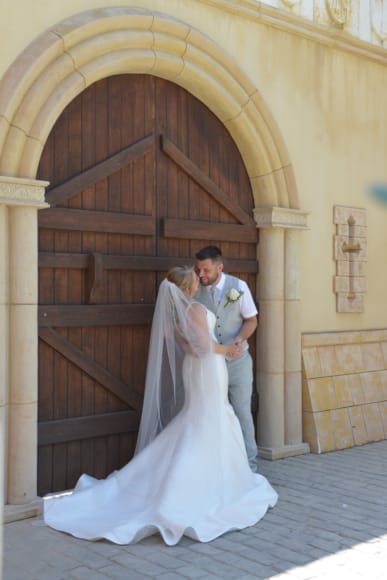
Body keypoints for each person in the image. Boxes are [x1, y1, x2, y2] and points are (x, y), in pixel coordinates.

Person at [43, 266, 277, 546]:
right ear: (188, 288)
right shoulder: (197, 310)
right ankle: (188, 488)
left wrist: (211, 349)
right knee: (209, 417)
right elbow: (204, 345)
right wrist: (227, 350)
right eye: (194, 278)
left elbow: (186, 345)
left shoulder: (179, 312)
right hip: (209, 369)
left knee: (198, 416)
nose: (198, 279)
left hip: (195, 368)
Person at [195, 246, 259, 473]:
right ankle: (219, 465)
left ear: (219, 267)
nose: (201, 274)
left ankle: (250, 465)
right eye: (199, 269)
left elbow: (251, 320)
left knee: (242, 411)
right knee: (212, 413)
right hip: (210, 364)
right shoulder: (194, 290)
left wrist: (239, 340)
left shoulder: (239, 287)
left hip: (239, 363)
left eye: (206, 269)